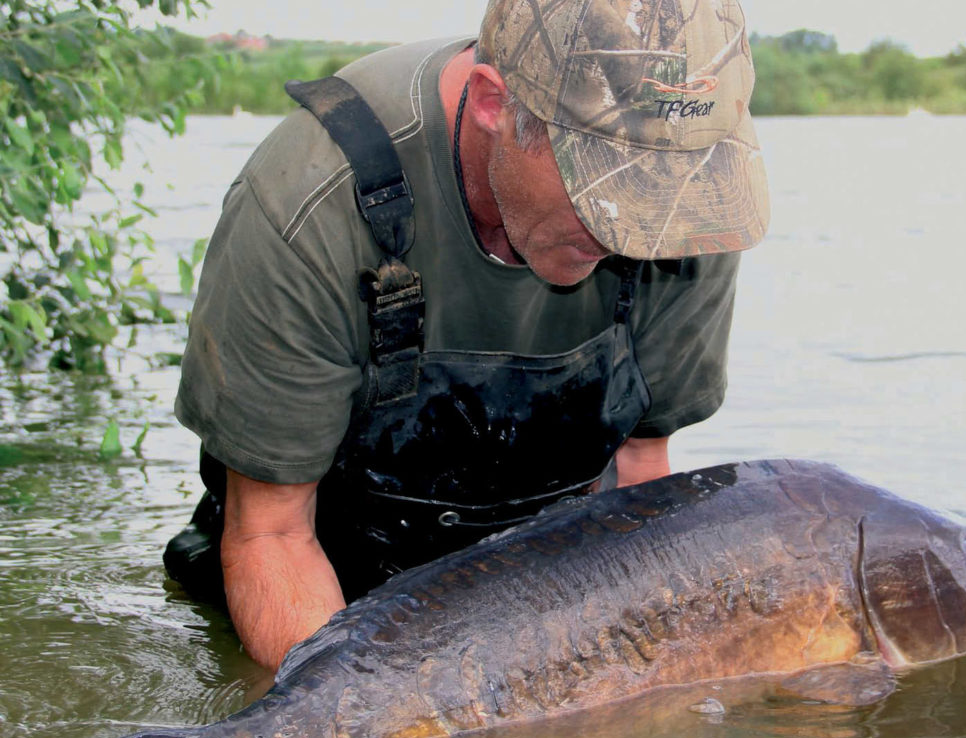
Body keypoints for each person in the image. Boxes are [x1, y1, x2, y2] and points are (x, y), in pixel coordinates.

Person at [166, 0, 769, 672]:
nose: (637, 231)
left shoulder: (690, 212)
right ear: (492, 103)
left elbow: (636, 479)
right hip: (313, 571)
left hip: (534, 588)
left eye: (664, 191)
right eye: (612, 188)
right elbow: (271, 532)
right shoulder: (307, 203)